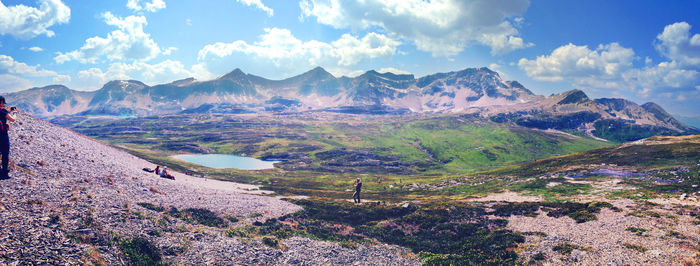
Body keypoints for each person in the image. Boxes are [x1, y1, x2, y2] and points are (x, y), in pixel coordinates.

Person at [0, 96, 18, 180]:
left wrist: (9, 111)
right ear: (1, 102)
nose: (3, 105)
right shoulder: (2, 111)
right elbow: (12, 119)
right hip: (2, 135)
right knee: (5, 152)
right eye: (3, 103)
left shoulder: (3, 111)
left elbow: (4, 114)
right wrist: (14, 113)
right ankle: (4, 172)